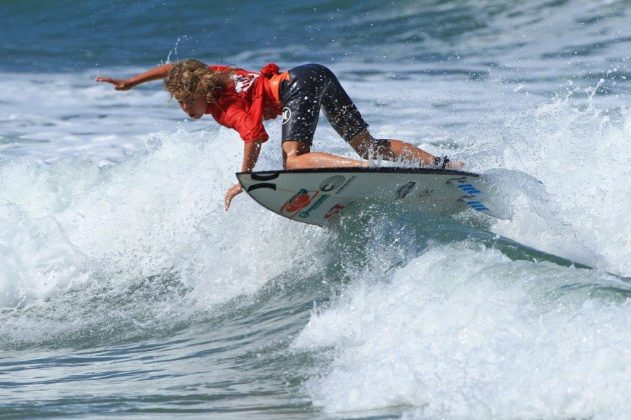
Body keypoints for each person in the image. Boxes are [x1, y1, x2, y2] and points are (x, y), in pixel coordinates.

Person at [97, 60, 462, 210]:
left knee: (295, 160)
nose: (183, 109)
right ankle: (442, 165)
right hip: (314, 73)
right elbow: (177, 68)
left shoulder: (224, 108)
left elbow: (255, 136)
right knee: (368, 143)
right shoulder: (213, 74)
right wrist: (132, 81)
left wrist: (247, 179)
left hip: (295, 87)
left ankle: (368, 171)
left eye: (184, 102)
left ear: (199, 94)